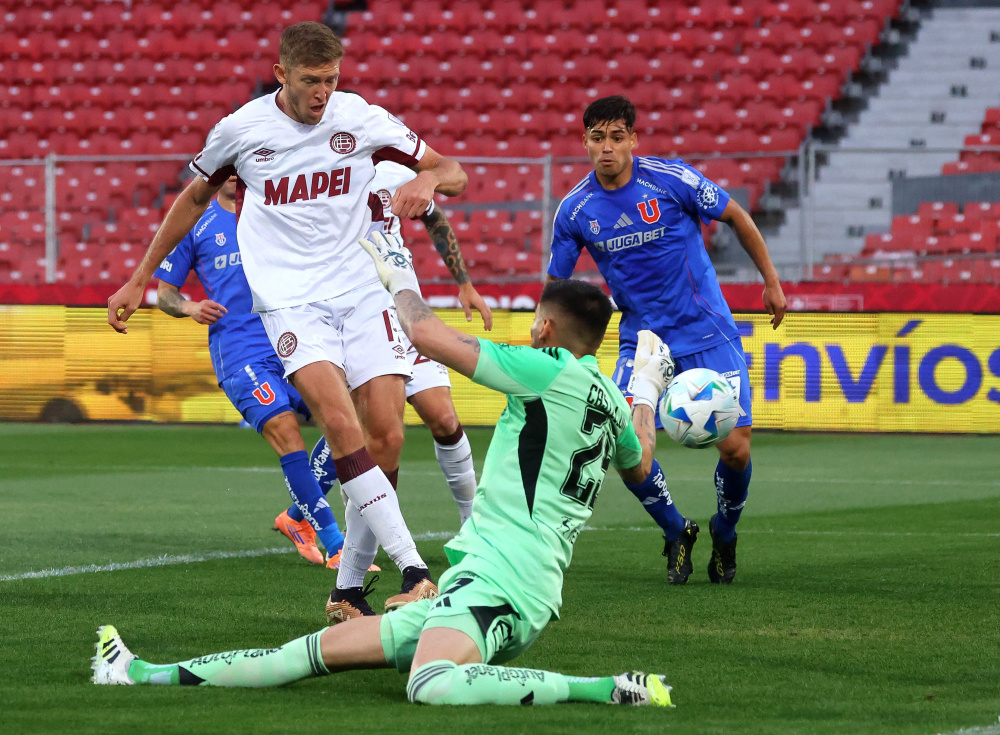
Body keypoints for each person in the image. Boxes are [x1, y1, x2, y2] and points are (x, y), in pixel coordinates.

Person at [91, 233, 677, 708]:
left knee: (431, 684)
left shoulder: (544, 367)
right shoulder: (610, 398)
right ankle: (140, 673)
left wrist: (399, 276)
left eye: (535, 325)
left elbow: (425, 334)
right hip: (496, 581)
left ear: (545, 329)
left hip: (505, 584)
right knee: (308, 653)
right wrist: (647, 387)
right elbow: (641, 464)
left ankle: (605, 690)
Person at [107, 21, 467, 610]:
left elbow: (454, 171)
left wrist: (426, 179)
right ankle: (413, 572)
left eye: (330, 79)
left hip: (361, 291)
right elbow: (192, 198)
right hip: (291, 302)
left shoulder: (360, 117)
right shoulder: (242, 130)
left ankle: (348, 589)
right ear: (282, 75)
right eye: (310, 81)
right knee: (339, 426)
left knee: (387, 438)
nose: (322, 93)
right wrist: (140, 277)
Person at [547, 95, 787, 586]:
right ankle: (677, 531)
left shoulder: (670, 179)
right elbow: (556, 290)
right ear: (585, 142)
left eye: (617, 137)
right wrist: (555, 346)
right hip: (644, 341)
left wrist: (772, 281)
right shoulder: (575, 210)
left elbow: (737, 216)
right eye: (597, 138)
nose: (607, 148)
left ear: (633, 139)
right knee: (627, 451)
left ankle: (725, 530)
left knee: (736, 449)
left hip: (706, 330)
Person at [317, 159, 493, 622]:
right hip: (359, 318)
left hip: (404, 311)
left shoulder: (390, 164)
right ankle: (354, 586)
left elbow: (436, 210)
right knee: (383, 445)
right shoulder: (311, 172)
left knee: (445, 419)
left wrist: (465, 283)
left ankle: (474, 533)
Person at [153, 173, 351, 568]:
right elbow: (163, 294)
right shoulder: (195, 221)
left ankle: (295, 518)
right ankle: (337, 544)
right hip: (240, 351)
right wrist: (191, 307)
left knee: (349, 423)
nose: (231, 171)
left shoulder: (274, 211)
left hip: (292, 340)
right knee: (287, 431)